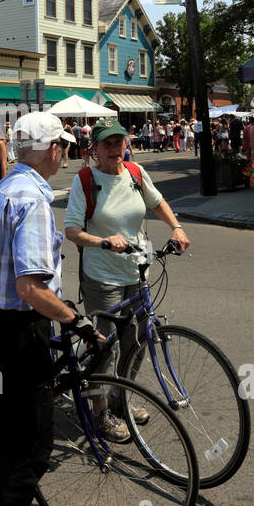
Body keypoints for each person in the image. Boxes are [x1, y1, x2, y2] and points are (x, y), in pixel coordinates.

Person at [0, 111, 90, 506]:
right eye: (61, 145)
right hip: (20, 331)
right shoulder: (35, 201)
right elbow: (31, 287)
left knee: (3, 436)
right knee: (33, 443)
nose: (64, 151)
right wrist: (72, 318)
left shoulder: (2, 187)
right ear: (51, 149)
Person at [63, 118, 191, 441]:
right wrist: (103, 241)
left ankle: (121, 397)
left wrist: (176, 226)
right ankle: (100, 410)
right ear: (94, 149)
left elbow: (157, 201)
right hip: (101, 275)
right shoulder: (85, 180)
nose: (114, 148)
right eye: (107, 143)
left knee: (135, 340)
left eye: (119, 141)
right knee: (103, 345)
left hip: (137, 269)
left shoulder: (135, 173)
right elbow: (71, 230)